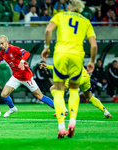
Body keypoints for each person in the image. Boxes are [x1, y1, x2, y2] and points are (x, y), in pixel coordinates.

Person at [41, 0, 97, 138]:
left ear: (68, 6)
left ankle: (61, 127)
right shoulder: (85, 21)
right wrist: (92, 62)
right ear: (80, 9)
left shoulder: (60, 15)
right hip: (77, 57)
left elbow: (48, 30)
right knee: (73, 90)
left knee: (58, 91)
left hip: (60, 55)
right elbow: (94, 45)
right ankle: (72, 121)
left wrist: (46, 47)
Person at [0, 35, 55, 117]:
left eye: (2, 43)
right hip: (16, 77)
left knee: (40, 96)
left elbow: (27, 53)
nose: (1, 45)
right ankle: (12, 108)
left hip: (26, 77)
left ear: (7, 43)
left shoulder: (14, 49)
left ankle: (59, 109)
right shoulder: (2, 53)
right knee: (3, 94)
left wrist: (22, 61)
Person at [39, 63, 112, 119]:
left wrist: (48, 66)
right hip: (85, 77)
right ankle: (106, 112)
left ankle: (63, 110)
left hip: (76, 78)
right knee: (89, 97)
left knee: (53, 88)